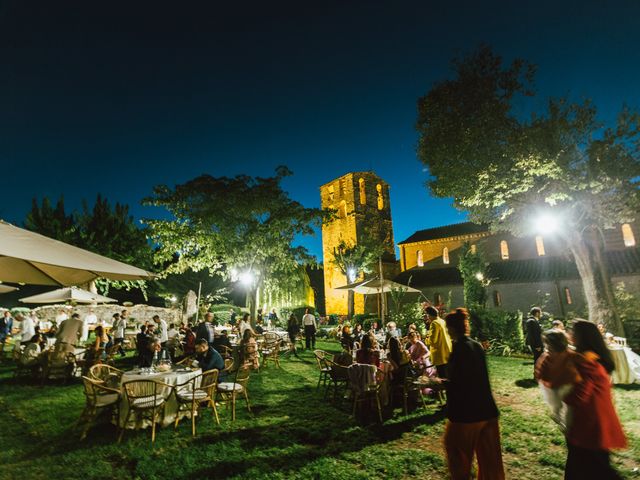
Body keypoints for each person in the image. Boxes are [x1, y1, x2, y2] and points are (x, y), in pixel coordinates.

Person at [443, 308, 504, 480]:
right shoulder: (476, 345)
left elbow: (459, 383)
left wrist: (440, 383)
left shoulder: (459, 348)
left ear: (452, 329)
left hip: (466, 415)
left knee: (458, 457)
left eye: (448, 328)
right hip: (488, 411)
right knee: (491, 463)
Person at [563, 320, 627, 479]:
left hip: (590, 425)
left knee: (592, 468)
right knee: (591, 466)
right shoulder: (591, 358)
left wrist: (564, 397)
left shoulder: (588, 363)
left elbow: (580, 395)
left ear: (582, 337)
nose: (569, 334)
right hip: (596, 422)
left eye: (573, 331)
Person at [535, 329, 581, 431]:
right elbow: (540, 368)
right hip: (552, 385)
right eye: (546, 344)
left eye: (548, 344)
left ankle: (566, 424)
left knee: (568, 405)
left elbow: (579, 360)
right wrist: (539, 377)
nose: (547, 347)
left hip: (567, 383)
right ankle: (557, 415)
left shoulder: (569, 354)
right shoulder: (547, 357)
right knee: (557, 404)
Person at [424, 305, 453, 378]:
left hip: (440, 355)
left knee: (442, 377)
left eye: (427, 315)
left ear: (429, 315)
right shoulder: (442, 321)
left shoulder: (434, 323)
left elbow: (433, 341)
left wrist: (426, 339)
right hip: (446, 352)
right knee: (447, 376)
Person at [525, 307, 544, 377]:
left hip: (537, 343)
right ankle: (537, 375)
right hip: (536, 344)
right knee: (538, 359)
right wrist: (537, 346)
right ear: (537, 313)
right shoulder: (532, 321)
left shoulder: (534, 321)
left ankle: (539, 374)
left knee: (539, 359)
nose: (541, 314)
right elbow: (534, 335)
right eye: (540, 312)